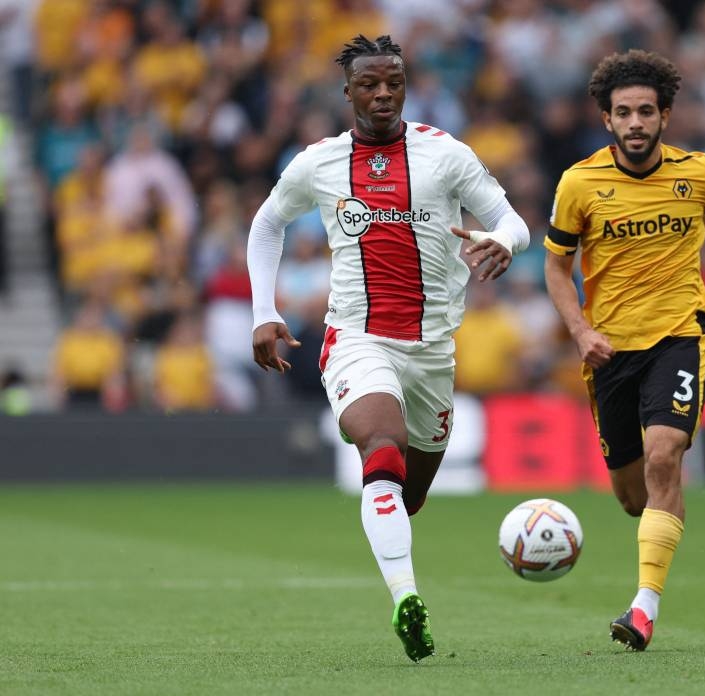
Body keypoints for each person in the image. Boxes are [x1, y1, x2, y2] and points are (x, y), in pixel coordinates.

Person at [246, 35, 529, 662]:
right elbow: (267, 223)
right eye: (369, 85)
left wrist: (503, 242)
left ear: (406, 86)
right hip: (356, 337)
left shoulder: (445, 155)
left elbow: (511, 219)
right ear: (348, 92)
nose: (382, 94)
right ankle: (405, 596)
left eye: (393, 84)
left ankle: (396, 552)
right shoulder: (317, 162)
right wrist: (264, 312)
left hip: (432, 351)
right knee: (382, 444)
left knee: (409, 492)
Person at [544, 49, 705, 652]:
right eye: (623, 113)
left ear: (665, 115)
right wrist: (579, 329)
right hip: (609, 351)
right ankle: (658, 525)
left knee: (664, 455)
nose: (636, 123)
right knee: (632, 495)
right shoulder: (580, 183)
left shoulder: (700, 173)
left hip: (681, 333)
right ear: (607, 121)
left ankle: (644, 608)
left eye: (646, 111)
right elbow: (556, 264)